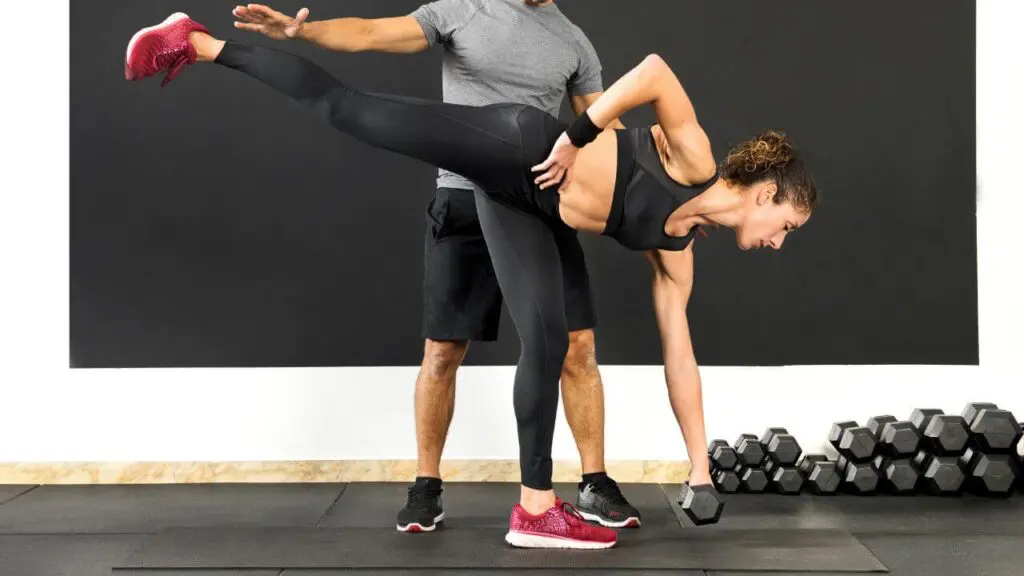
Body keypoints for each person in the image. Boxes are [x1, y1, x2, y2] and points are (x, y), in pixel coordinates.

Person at [124, 11, 818, 550]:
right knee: (351, 111)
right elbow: (657, 72)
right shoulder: (693, 158)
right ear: (764, 192)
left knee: (547, 338)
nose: (778, 242)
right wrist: (577, 137)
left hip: (519, 204)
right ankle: (198, 42)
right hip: (516, 143)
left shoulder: (679, 250)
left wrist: (699, 470)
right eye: (785, 225)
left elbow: (680, 357)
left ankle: (536, 510)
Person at [227, 1, 640, 535]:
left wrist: (658, 193)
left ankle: (594, 481)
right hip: (463, 200)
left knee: (577, 345)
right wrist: (303, 33)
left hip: (538, 205)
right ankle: (426, 484)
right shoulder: (464, 11)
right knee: (443, 351)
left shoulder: (573, 41)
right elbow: (372, 32)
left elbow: (604, 125)